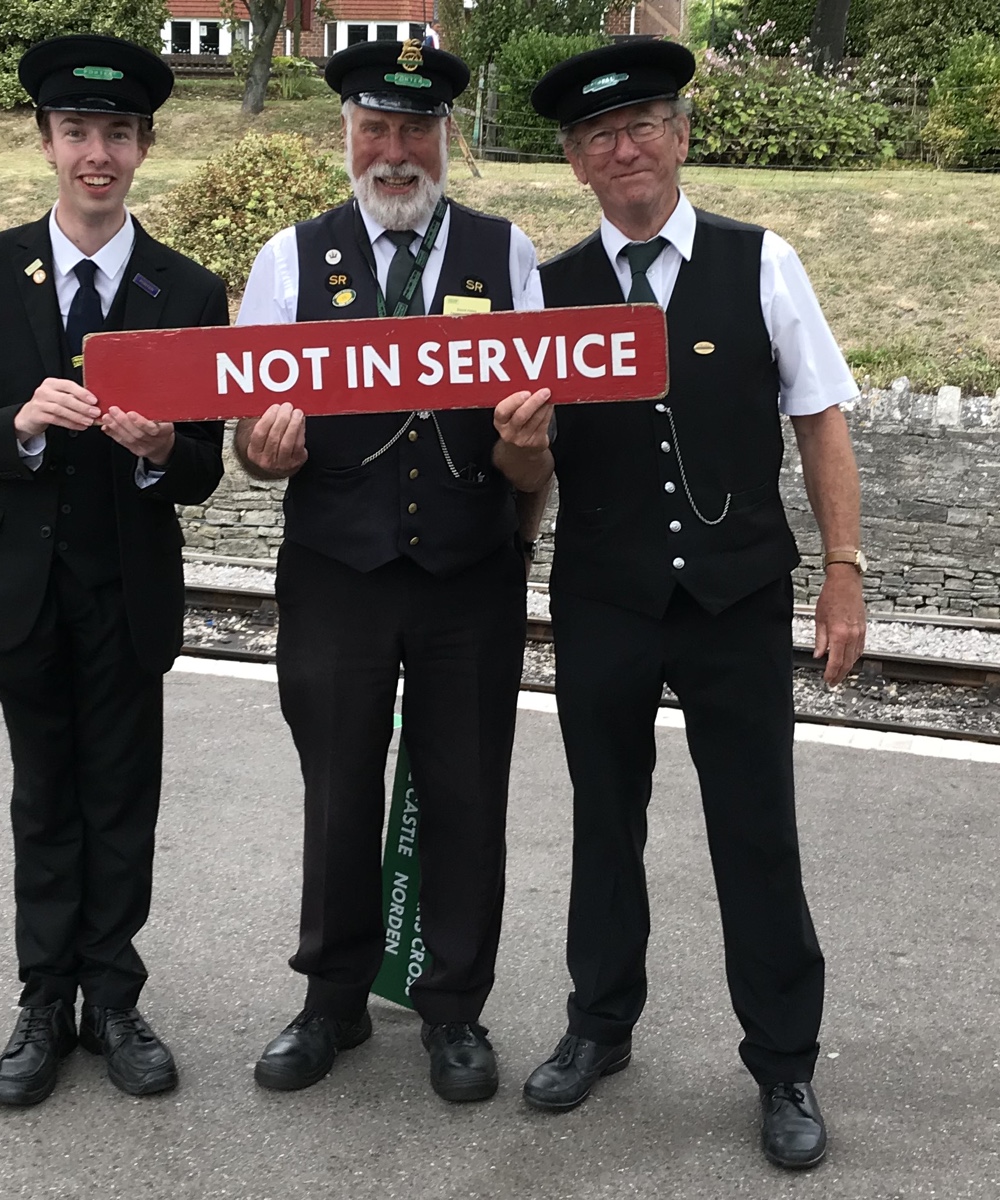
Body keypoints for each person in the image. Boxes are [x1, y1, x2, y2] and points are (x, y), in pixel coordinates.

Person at [493, 39, 866, 1167]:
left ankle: (786, 1067)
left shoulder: (762, 261)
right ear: (575, 165)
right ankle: (600, 1025)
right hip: (605, 597)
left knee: (757, 833)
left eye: (645, 122)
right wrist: (519, 454)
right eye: (601, 136)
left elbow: (821, 416)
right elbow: (528, 476)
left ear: (682, 135)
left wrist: (843, 570)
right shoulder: (543, 291)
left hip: (735, 597)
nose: (626, 147)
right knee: (606, 826)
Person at [234, 39, 547, 1103]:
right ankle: (330, 1002)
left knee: (466, 790)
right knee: (337, 788)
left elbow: (536, 440)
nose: (398, 151)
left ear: (444, 138)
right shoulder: (290, 257)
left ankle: (454, 1009)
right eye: (379, 128)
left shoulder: (506, 257)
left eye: (417, 129)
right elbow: (244, 424)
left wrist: (523, 452)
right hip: (336, 569)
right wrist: (257, 448)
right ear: (349, 139)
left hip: (469, 570)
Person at [0, 34, 227, 1107]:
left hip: (125, 585)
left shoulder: (187, 289)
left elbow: (203, 466)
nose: (95, 153)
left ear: (142, 146)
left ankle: (115, 997)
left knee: (120, 798)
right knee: (43, 798)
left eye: (116, 134)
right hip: (22, 587)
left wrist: (159, 453)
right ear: (48, 143)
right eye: (76, 133)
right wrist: (16, 423)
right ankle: (41, 1000)